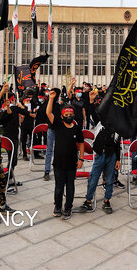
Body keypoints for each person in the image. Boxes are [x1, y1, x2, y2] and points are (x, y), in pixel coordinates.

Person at [78, 88, 121, 214]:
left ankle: (107, 200)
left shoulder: (117, 127)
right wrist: (91, 101)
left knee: (109, 179)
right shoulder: (100, 122)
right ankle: (88, 201)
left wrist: (118, 159)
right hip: (100, 155)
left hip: (111, 156)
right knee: (93, 178)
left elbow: (117, 144)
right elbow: (92, 112)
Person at [46, 90, 84, 219]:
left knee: (70, 186)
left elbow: (81, 143)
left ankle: (68, 207)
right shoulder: (58, 125)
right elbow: (49, 113)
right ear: (62, 116)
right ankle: (57, 205)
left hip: (72, 163)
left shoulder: (76, 128)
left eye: (70, 114)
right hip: (59, 162)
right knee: (59, 186)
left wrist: (81, 159)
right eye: (66, 114)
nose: (69, 116)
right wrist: (51, 99)